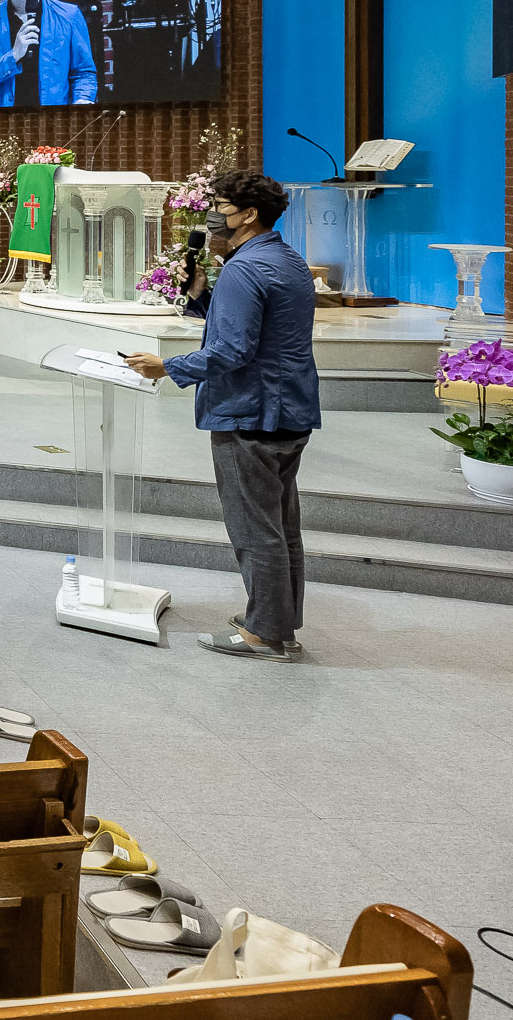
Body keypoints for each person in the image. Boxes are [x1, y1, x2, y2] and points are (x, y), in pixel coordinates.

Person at [126, 172, 319, 661]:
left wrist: (167, 366)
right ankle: (278, 622)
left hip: (248, 413)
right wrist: (199, 292)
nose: (211, 213)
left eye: (219, 205)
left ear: (248, 214)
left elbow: (232, 349)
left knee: (255, 530)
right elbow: (255, 330)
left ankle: (264, 634)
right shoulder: (287, 260)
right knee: (280, 525)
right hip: (287, 410)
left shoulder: (244, 268)